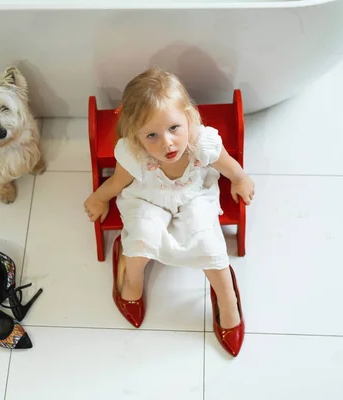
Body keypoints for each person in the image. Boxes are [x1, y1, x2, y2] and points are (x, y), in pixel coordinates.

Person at [83, 67, 255, 357]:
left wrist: (240, 179)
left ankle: (227, 297)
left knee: (208, 240)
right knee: (142, 236)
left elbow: (227, 165)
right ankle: (131, 276)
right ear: (137, 138)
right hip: (149, 197)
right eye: (152, 135)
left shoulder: (202, 142)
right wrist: (100, 198)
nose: (167, 143)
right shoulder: (134, 154)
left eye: (174, 128)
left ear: (188, 118)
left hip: (193, 195)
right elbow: (118, 181)